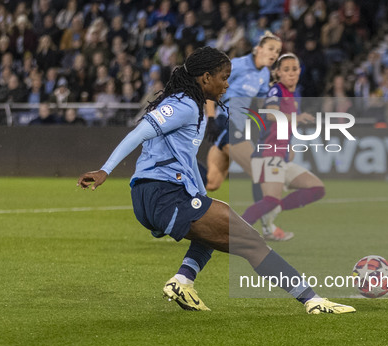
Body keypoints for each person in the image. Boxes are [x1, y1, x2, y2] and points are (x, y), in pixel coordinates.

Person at [77, 47, 354, 315]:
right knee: (252, 243)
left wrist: (198, 197)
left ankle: (183, 281)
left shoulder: (192, 106)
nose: (226, 84)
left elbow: (183, 158)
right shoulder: (183, 105)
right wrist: (105, 170)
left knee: (213, 227)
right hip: (163, 194)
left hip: (153, 196)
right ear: (205, 77)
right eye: (223, 77)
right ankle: (313, 301)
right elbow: (140, 132)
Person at [205, 32, 293, 241]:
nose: (274, 54)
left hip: (238, 126)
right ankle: (266, 229)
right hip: (226, 124)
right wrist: (210, 118)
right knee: (259, 171)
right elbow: (209, 87)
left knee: (212, 182)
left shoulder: (264, 75)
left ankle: (172, 188)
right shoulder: (237, 65)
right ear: (258, 49)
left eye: (278, 51)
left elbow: (262, 106)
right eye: (271, 49)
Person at [240, 53, 325, 234]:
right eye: (286, 70)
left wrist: (290, 146)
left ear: (300, 71)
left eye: (294, 69)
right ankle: (234, 232)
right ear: (277, 73)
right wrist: (298, 117)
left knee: (317, 189)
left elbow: (286, 125)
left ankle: (276, 210)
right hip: (268, 155)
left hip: (281, 155)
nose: (291, 73)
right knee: (270, 199)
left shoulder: (296, 95)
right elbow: (271, 114)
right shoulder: (276, 90)